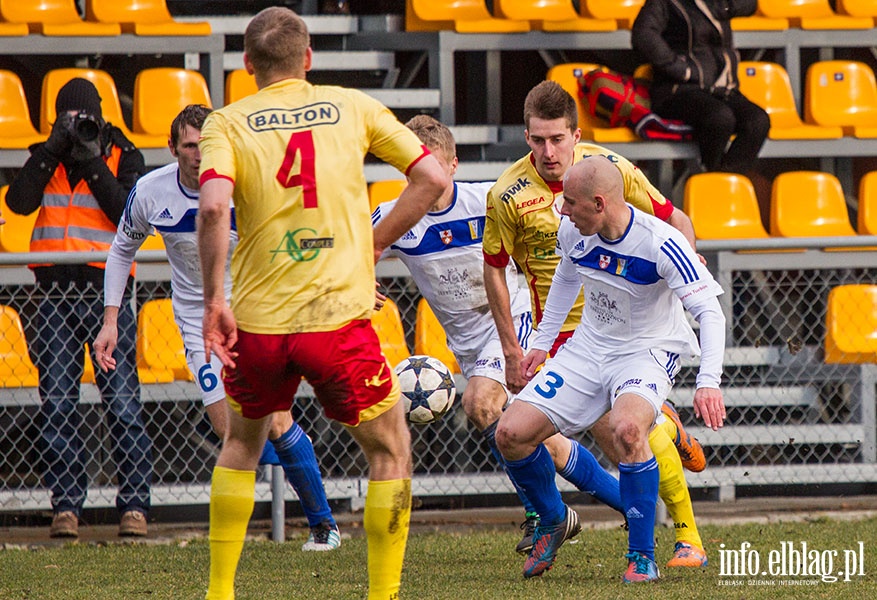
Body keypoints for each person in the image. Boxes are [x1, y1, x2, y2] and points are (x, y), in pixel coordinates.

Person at [196, 7, 446, 600]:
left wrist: (213, 301)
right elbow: (432, 178)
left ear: (248, 65)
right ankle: (382, 593)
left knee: (241, 444)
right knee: (390, 448)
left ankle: (220, 591)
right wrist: (375, 244)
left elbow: (211, 208)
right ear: (309, 58)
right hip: (336, 319)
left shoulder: (225, 123)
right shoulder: (353, 105)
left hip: (257, 320)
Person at [483, 79, 711, 568]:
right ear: (526, 137)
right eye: (538, 140)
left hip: (634, 337)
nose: (548, 151)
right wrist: (514, 347)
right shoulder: (507, 194)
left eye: (558, 139)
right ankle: (557, 517)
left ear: (575, 134)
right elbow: (496, 267)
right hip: (568, 335)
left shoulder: (613, 171)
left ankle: (685, 537)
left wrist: (683, 277)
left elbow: (675, 219)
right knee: (522, 431)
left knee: (630, 433)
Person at [93, 104, 341, 551]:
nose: (198, 154)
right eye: (189, 145)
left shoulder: (246, 186)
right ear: (173, 148)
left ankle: (324, 526)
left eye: (206, 145)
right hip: (197, 321)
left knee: (279, 421)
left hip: (254, 311)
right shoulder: (151, 192)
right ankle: (243, 532)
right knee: (231, 432)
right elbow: (120, 250)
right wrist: (111, 320)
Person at [372, 115, 624, 554]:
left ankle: (549, 517)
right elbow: (354, 252)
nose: (425, 181)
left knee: (479, 401)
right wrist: (356, 277)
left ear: (453, 165)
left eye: (433, 169)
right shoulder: (393, 220)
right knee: (543, 439)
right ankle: (632, 505)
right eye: (414, 172)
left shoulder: (487, 201)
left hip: (512, 319)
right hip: (466, 344)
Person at [6, 78, 153, 538]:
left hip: (104, 296)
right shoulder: (46, 155)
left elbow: (126, 212)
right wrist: (51, 149)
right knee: (57, 404)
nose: (76, 127)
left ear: (100, 117)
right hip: (52, 294)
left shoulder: (122, 155)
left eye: (82, 120)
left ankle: (134, 506)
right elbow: (18, 201)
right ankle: (65, 506)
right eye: (67, 120)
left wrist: (91, 162)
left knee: (123, 402)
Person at [631, 0, 770, 174]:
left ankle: (722, 181)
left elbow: (749, 4)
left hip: (721, 89)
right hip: (679, 90)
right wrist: (680, 68)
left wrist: (723, 6)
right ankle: (712, 177)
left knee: (758, 121)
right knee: (720, 118)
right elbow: (643, 35)